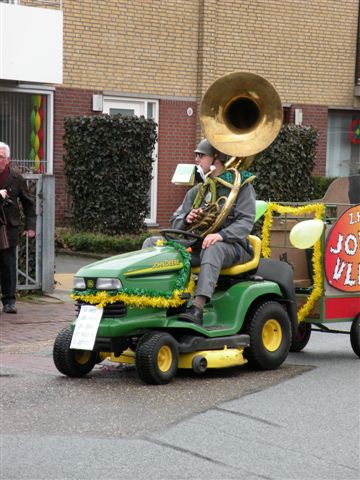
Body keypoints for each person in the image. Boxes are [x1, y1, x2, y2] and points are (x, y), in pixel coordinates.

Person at [146, 138, 256, 326]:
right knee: (152, 243)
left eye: (201, 155)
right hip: (197, 244)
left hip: (234, 246)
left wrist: (221, 235)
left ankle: (197, 307)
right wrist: (188, 217)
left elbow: (246, 222)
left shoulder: (241, 187)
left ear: (216, 158)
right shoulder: (197, 191)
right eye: (196, 155)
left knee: (213, 247)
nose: (196, 159)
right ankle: (155, 299)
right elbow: (175, 221)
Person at [0, 142, 36, 314]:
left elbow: (28, 204)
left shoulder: (16, 178)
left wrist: (30, 226)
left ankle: (9, 301)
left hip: (9, 228)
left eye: (0, 157)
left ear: (8, 160)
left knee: (8, 264)